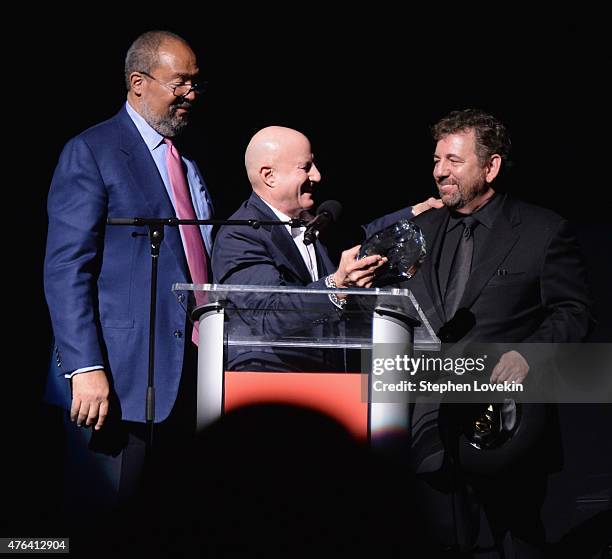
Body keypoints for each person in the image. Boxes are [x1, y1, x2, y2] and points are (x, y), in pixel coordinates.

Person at [403, 109, 593, 557]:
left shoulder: (543, 230)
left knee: (516, 543)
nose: (439, 172)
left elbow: (575, 311)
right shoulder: (421, 229)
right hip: (430, 426)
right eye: (436, 160)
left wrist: (530, 354)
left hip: (507, 427)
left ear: (491, 167)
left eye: (453, 160)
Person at [43, 30, 213, 514]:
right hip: (115, 385)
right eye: (180, 83)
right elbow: (65, 268)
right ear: (138, 82)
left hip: (185, 384)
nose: (191, 95)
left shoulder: (189, 161)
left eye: (196, 84)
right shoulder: (93, 150)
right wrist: (85, 367)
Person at [212, 125, 441, 372]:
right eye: (306, 167)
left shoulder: (314, 223)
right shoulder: (240, 235)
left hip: (328, 383)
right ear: (269, 176)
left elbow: (362, 237)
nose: (317, 176)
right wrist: (336, 286)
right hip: (271, 384)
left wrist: (415, 212)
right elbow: (268, 315)